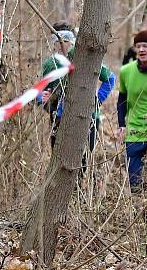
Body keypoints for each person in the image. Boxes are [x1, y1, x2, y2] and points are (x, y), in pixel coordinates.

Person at [38, 20, 116, 163]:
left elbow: (110, 79)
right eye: (56, 40)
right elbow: (40, 91)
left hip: (87, 117)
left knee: (83, 162)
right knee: (59, 161)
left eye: (66, 39)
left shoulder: (85, 57)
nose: (61, 44)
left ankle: (83, 183)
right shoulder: (51, 64)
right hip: (60, 118)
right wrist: (42, 98)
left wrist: (96, 100)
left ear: (73, 40)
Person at [117, 30, 147, 189]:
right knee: (134, 181)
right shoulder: (126, 71)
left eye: (145, 46)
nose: (141, 50)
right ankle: (138, 207)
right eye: (138, 46)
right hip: (134, 132)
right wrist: (121, 125)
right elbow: (122, 100)